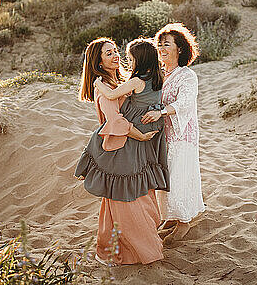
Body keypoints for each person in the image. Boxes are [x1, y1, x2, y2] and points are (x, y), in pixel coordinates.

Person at [74, 37, 169, 265]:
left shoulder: (123, 82)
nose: (116, 55)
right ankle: (139, 251)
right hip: (119, 148)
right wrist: (141, 135)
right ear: (98, 62)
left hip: (134, 149)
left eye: (116, 51)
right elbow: (116, 122)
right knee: (127, 201)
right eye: (109, 53)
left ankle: (114, 250)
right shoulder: (103, 87)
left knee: (133, 197)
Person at [141, 23, 206, 244]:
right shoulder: (159, 74)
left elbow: (186, 102)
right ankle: (170, 217)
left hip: (181, 134)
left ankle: (184, 221)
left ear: (180, 49)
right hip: (161, 136)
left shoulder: (186, 75)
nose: (161, 48)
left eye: (167, 44)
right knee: (165, 178)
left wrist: (162, 112)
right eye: (159, 44)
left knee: (178, 176)